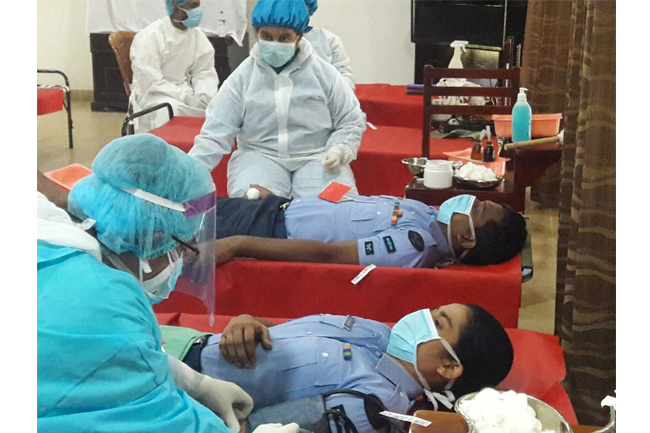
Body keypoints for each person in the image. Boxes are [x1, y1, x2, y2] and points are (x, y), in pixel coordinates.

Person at [37, 134, 298, 433]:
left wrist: (193, 382)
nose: (185, 258)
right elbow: (153, 411)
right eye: (184, 244)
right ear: (155, 238)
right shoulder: (105, 304)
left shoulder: (49, 235)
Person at [161, 304, 514, 433]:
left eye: (438, 321)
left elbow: (249, 428)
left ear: (450, 366)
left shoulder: (369, 405)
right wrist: (248, 321)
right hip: (178, 342)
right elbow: (295, 332)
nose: (421, 315)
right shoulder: (379, 333)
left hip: (169, 395)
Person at [189, 0, 366, 199]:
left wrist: (340, 148)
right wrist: (188, 176)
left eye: (284, 38)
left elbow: (351, 119)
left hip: (317, 157)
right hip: (258, 157)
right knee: (252, 207)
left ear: (299, 37)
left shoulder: (324, 74)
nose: (274, 45)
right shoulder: (243, 77)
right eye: (266, 36)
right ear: (257, 33)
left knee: (337, 207)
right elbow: (214, 133)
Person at [214, 186, 527, 268]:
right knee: (186, 204)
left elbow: (327, 255)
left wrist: (238, 244)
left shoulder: (412, 246)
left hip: (262, 230)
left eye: (479, 208)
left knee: (170, 222)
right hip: (270, 207)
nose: (471, 200)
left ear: (466, 238)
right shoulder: (426, 215)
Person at [129, 0, 220, 133]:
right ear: (177, 8)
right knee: (170, 111)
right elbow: (150, 82)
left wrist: (204, 95)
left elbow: (204, 71)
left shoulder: (197, 36)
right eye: (193, 6)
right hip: (153, 95)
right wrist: (184, 96)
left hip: (185, 92)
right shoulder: (150, 36)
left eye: (198, 5)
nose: (198, 11)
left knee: (215, 112)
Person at [302, 0, 355, 91]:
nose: (294, 11)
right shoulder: (273, 43)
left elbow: (345, 78)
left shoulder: (329, 40)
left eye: (300, 6)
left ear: (309, 7)